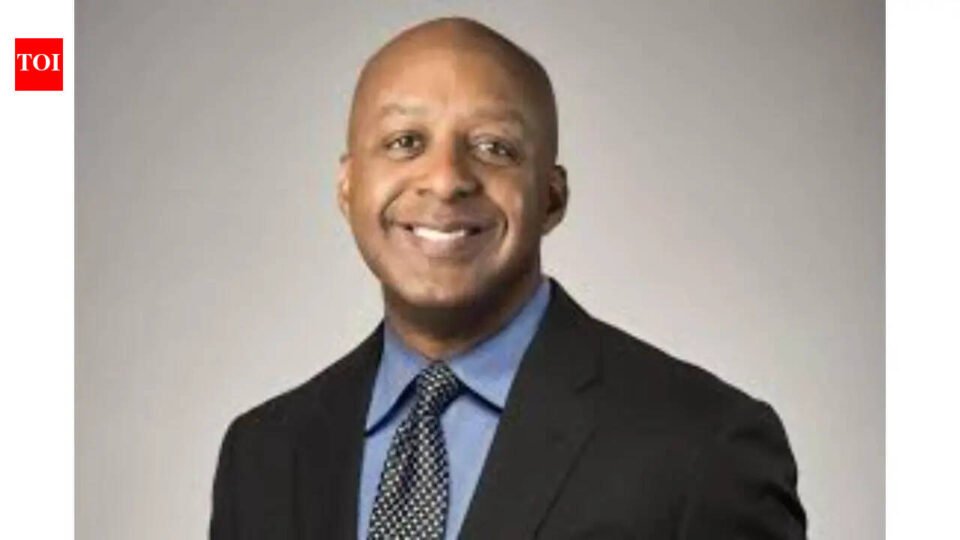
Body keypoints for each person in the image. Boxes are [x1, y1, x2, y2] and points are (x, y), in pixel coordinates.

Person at [210, 17, 807, 540]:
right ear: (348, 189)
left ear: (551, 197)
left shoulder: (702, 445)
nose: (446, 179)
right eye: (405, 142)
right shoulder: (261, 455)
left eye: (494, 147)